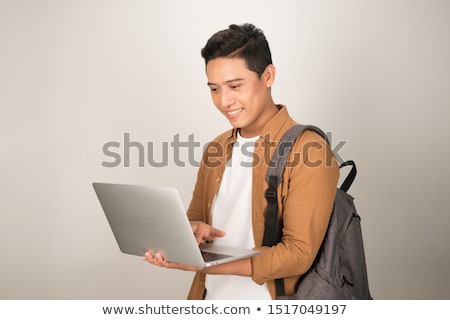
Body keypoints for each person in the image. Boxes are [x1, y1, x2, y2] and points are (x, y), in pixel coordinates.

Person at [143, 23, 339, 300]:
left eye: (235, 86)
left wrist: (207, 265)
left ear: (268, 75)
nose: (224, 101)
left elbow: (298, 255)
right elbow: (194, 219)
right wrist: (190, 234)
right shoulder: (217, 149)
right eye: (214, 88)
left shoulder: (310, 150)